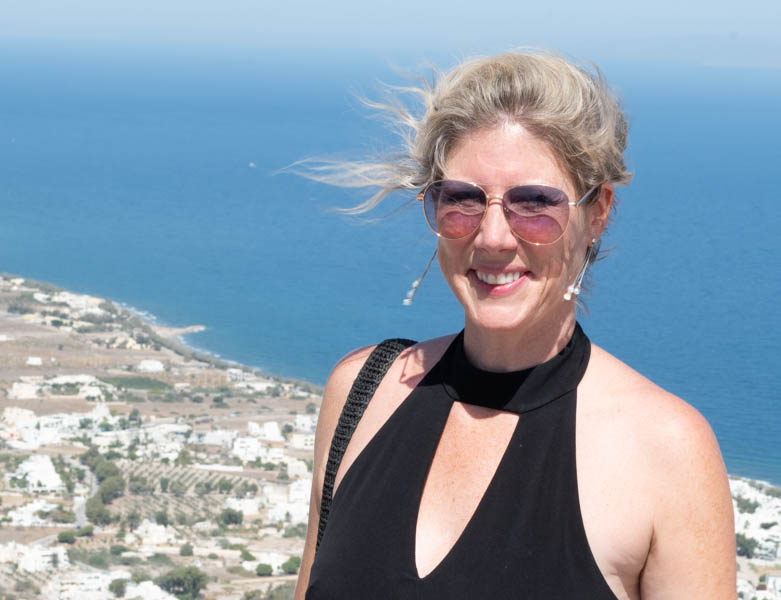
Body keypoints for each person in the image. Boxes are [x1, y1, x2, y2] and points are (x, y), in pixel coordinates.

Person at [293, 51, 735, 599]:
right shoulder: (361, 394)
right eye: (462, 200)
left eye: (534, 204)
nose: (493, 237)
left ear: (597, 213)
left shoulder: (666, 450)